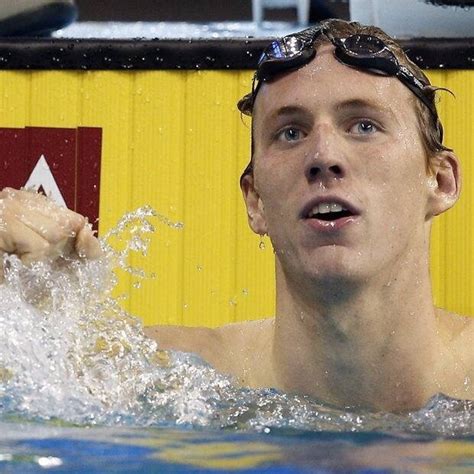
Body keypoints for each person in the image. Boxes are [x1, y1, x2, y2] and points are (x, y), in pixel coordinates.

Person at [0, 19, 472, 412]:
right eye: (290, 132)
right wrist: (37, 305)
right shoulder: (176, 382)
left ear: (441, 181)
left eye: (364, 126)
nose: (323, 155)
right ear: (256, 201)